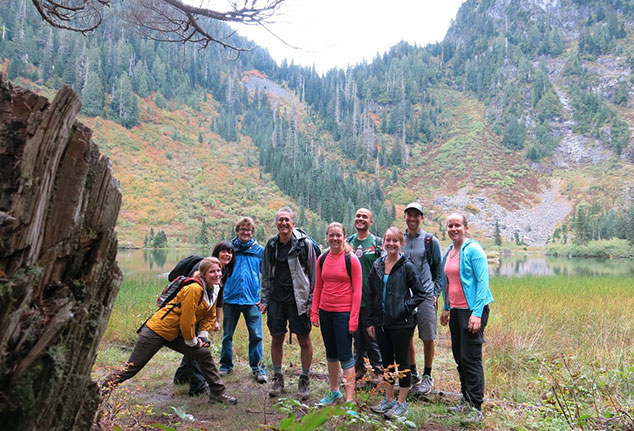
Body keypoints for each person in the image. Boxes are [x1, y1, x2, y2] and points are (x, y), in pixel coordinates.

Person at [103, 257, 238, 405]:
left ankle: (218, 393)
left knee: (203, 353)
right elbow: (187, 320)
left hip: (177, 333)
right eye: (212, 271)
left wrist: (203, 336)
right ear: (203, 274)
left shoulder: (215, 288)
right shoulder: (194, 288)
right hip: (157, 330)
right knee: (131, 368)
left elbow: (209, 315)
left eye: (219, 270)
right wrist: (193, 342)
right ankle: (99, 392)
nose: (217, 274)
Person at [367, 227, 431, 419]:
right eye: (388, 240)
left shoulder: (407, 266)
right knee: (386, 362)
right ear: (383, 242)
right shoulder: (377, 265)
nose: (391, 244)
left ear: (401, 243)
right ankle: (388, 399)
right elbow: (371, 295)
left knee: (402, 362)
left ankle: (401, 402)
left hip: (402, 323)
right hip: (381, 322)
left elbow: (420, 293)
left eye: (395, 240)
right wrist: (371, 321)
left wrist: (404, 308)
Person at [440, 213, 494, 424]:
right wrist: (446, 307)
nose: (454, 229)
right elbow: (447, 281)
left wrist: (477, 313)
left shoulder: (474, 250)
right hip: (456, 311)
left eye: (457, 225)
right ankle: (466, 398)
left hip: (472, 311)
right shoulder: (450, 251)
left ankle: (476, 406)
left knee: (471, 358)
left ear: (466, 227)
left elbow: (482, 284)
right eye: (450, 226)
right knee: (459, 357)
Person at [260, 207, 317, 400]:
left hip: (298, 299)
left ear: (293, 222)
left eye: (287, 220)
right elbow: (266, 275)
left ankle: (305, 378)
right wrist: (264, 300)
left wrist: (311, 302)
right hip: (277, 299)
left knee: (304, 339)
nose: (284, 223)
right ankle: (278, 378)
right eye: (280, 220)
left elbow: (313, 275)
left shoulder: (304, 244)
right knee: (276, 338)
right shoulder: (272, 244)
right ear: (276, 223)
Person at [173, 241, 235, 396]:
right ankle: (198, 386)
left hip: (203, 313)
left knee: (193, 347)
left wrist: (217, 320)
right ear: (216, 252)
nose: (227, 255)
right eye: (224, 251)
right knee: (197, 347)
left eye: (230, 252)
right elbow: (191, 292)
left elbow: (218, 298)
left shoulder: (222, 271)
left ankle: (180, 378)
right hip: (191, 313)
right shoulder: (203, 267)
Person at [311, 222, 362, 407]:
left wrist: (353, 319)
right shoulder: (322, 258)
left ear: (344, 236)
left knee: (346, 355)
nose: (334, 239)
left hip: (343, 313)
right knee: (331, 354)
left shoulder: (351, 259)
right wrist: (314, 312)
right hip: (326, 312)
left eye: (338, 235)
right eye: (331, 235)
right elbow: (318, 286)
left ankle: (350, 398)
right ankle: (334, 391)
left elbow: (357, 291)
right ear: (327, 237)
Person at [219, 217, 267, 383]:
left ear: (252, 232)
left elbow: (266, 276)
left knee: (256, 336)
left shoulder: (259, 250)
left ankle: (258, 369)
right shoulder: (228, 250)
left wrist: (264, 298)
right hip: (230, 298)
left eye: (249, 230)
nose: (245, 232)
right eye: (242, 229)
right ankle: (225, 365)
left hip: (252, 300)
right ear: (237, 231)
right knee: (227, 335)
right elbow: (217, 271)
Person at [403, 202, 442, 395]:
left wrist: (435, 294)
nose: (412, 218)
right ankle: (413, 372)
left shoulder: (429, 241)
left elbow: (439, 271)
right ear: (405, 217)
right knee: (406, 336)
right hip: (405, 296)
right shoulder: (398, 240)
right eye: (409, 215)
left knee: (428, 337)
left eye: (416, 215)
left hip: (425, 296)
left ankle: (427, 375)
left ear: (422, 218)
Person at [347, 208, 383, 382]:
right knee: (357, 335)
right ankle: (359, 367)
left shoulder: (377, 243)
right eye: (358, 216)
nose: (360, 219)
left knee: (372, 335)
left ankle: (378, 370)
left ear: (371, 222)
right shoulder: (348, 242)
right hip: (352, 298)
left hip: (371, 297)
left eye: (364, 217)